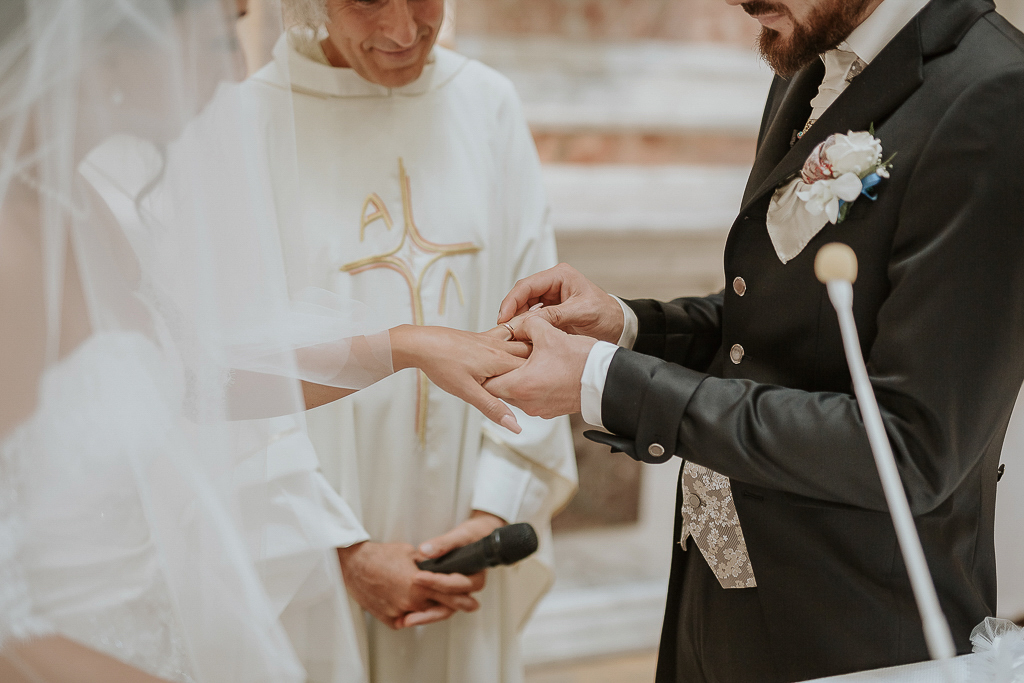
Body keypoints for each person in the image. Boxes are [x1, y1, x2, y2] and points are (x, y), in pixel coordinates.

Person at [486, 0, 1024, 681]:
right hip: (715, 597)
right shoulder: (807, 48)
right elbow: (780, 328)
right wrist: (629, 327)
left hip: (857, 629)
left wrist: (609, 383)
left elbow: (909, 446)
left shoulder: (997, 97)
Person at [0, 1, 537, 681]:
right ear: (105, 56)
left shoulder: (73, 202)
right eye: (220, 35)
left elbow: (194, 377)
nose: (235, 67)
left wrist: (407, 345)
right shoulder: (13, 255)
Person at [240, 1, 578, 681]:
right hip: (307, 553)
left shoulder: (487, 107)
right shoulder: (250, 122)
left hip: (466, 540)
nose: (402, 32)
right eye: (366, 1)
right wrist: (343, 550)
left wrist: (494, 508)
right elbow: (231, 376)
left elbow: (541, 325)